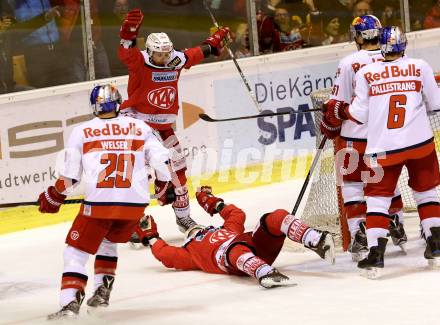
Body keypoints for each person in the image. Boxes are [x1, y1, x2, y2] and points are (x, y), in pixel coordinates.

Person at [38, 84, 172, 319]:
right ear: (118, 103)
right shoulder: (140, 127)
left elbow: (70, 178)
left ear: (94, 106)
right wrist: (163, 185)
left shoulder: (82, 131)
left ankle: (70, 302)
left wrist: (53, 196)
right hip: (135, 206)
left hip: (100, 204)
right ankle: (103, 289)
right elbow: (162, 159)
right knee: (107, 241)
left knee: (75, 251)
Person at [324, 26, 440, 277]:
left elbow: (357, 115)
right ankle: (436, 244)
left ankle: (376, 255)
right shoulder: (420, 66)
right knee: (427, 192)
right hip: (422, 144)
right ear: (404, 45)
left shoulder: (367, 72)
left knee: (377, 197)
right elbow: (437, 103)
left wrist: (338, 111)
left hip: (384, 146)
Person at [117, 9, 230, 235]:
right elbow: (125, 53)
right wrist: (128, 35)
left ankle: (183, 217)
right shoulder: (140, 61)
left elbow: (197, 54)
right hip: (138, 123)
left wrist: (214, 43)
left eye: (167, 53)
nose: (164, 58)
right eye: (159, 54)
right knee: (137, 173)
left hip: (162, 126)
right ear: (149, 51)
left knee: (179, 169)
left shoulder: (175, 59)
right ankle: (131, 223)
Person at [320, 15, 406, 262]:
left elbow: (339, 103)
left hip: (355, 135)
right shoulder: (395, 57)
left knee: (352, 182)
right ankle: (397, 223)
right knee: (385, 179)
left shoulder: (350, 62)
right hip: (386, 135)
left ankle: (359, 229)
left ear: (358, 36)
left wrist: (328, 123)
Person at [136, 186, 336, 288]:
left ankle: (315, 240)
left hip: (257, 245)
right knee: (232, 250)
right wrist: (151, 236)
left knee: (273, 217)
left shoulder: (223, 229)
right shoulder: (190, 253)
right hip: (236, 258)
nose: (197, 230)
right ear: (187, 238)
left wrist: (214, 203)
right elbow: (168, 256)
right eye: (191, 231)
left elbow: (237, 215)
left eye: (197, 228)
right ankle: (265, 274)